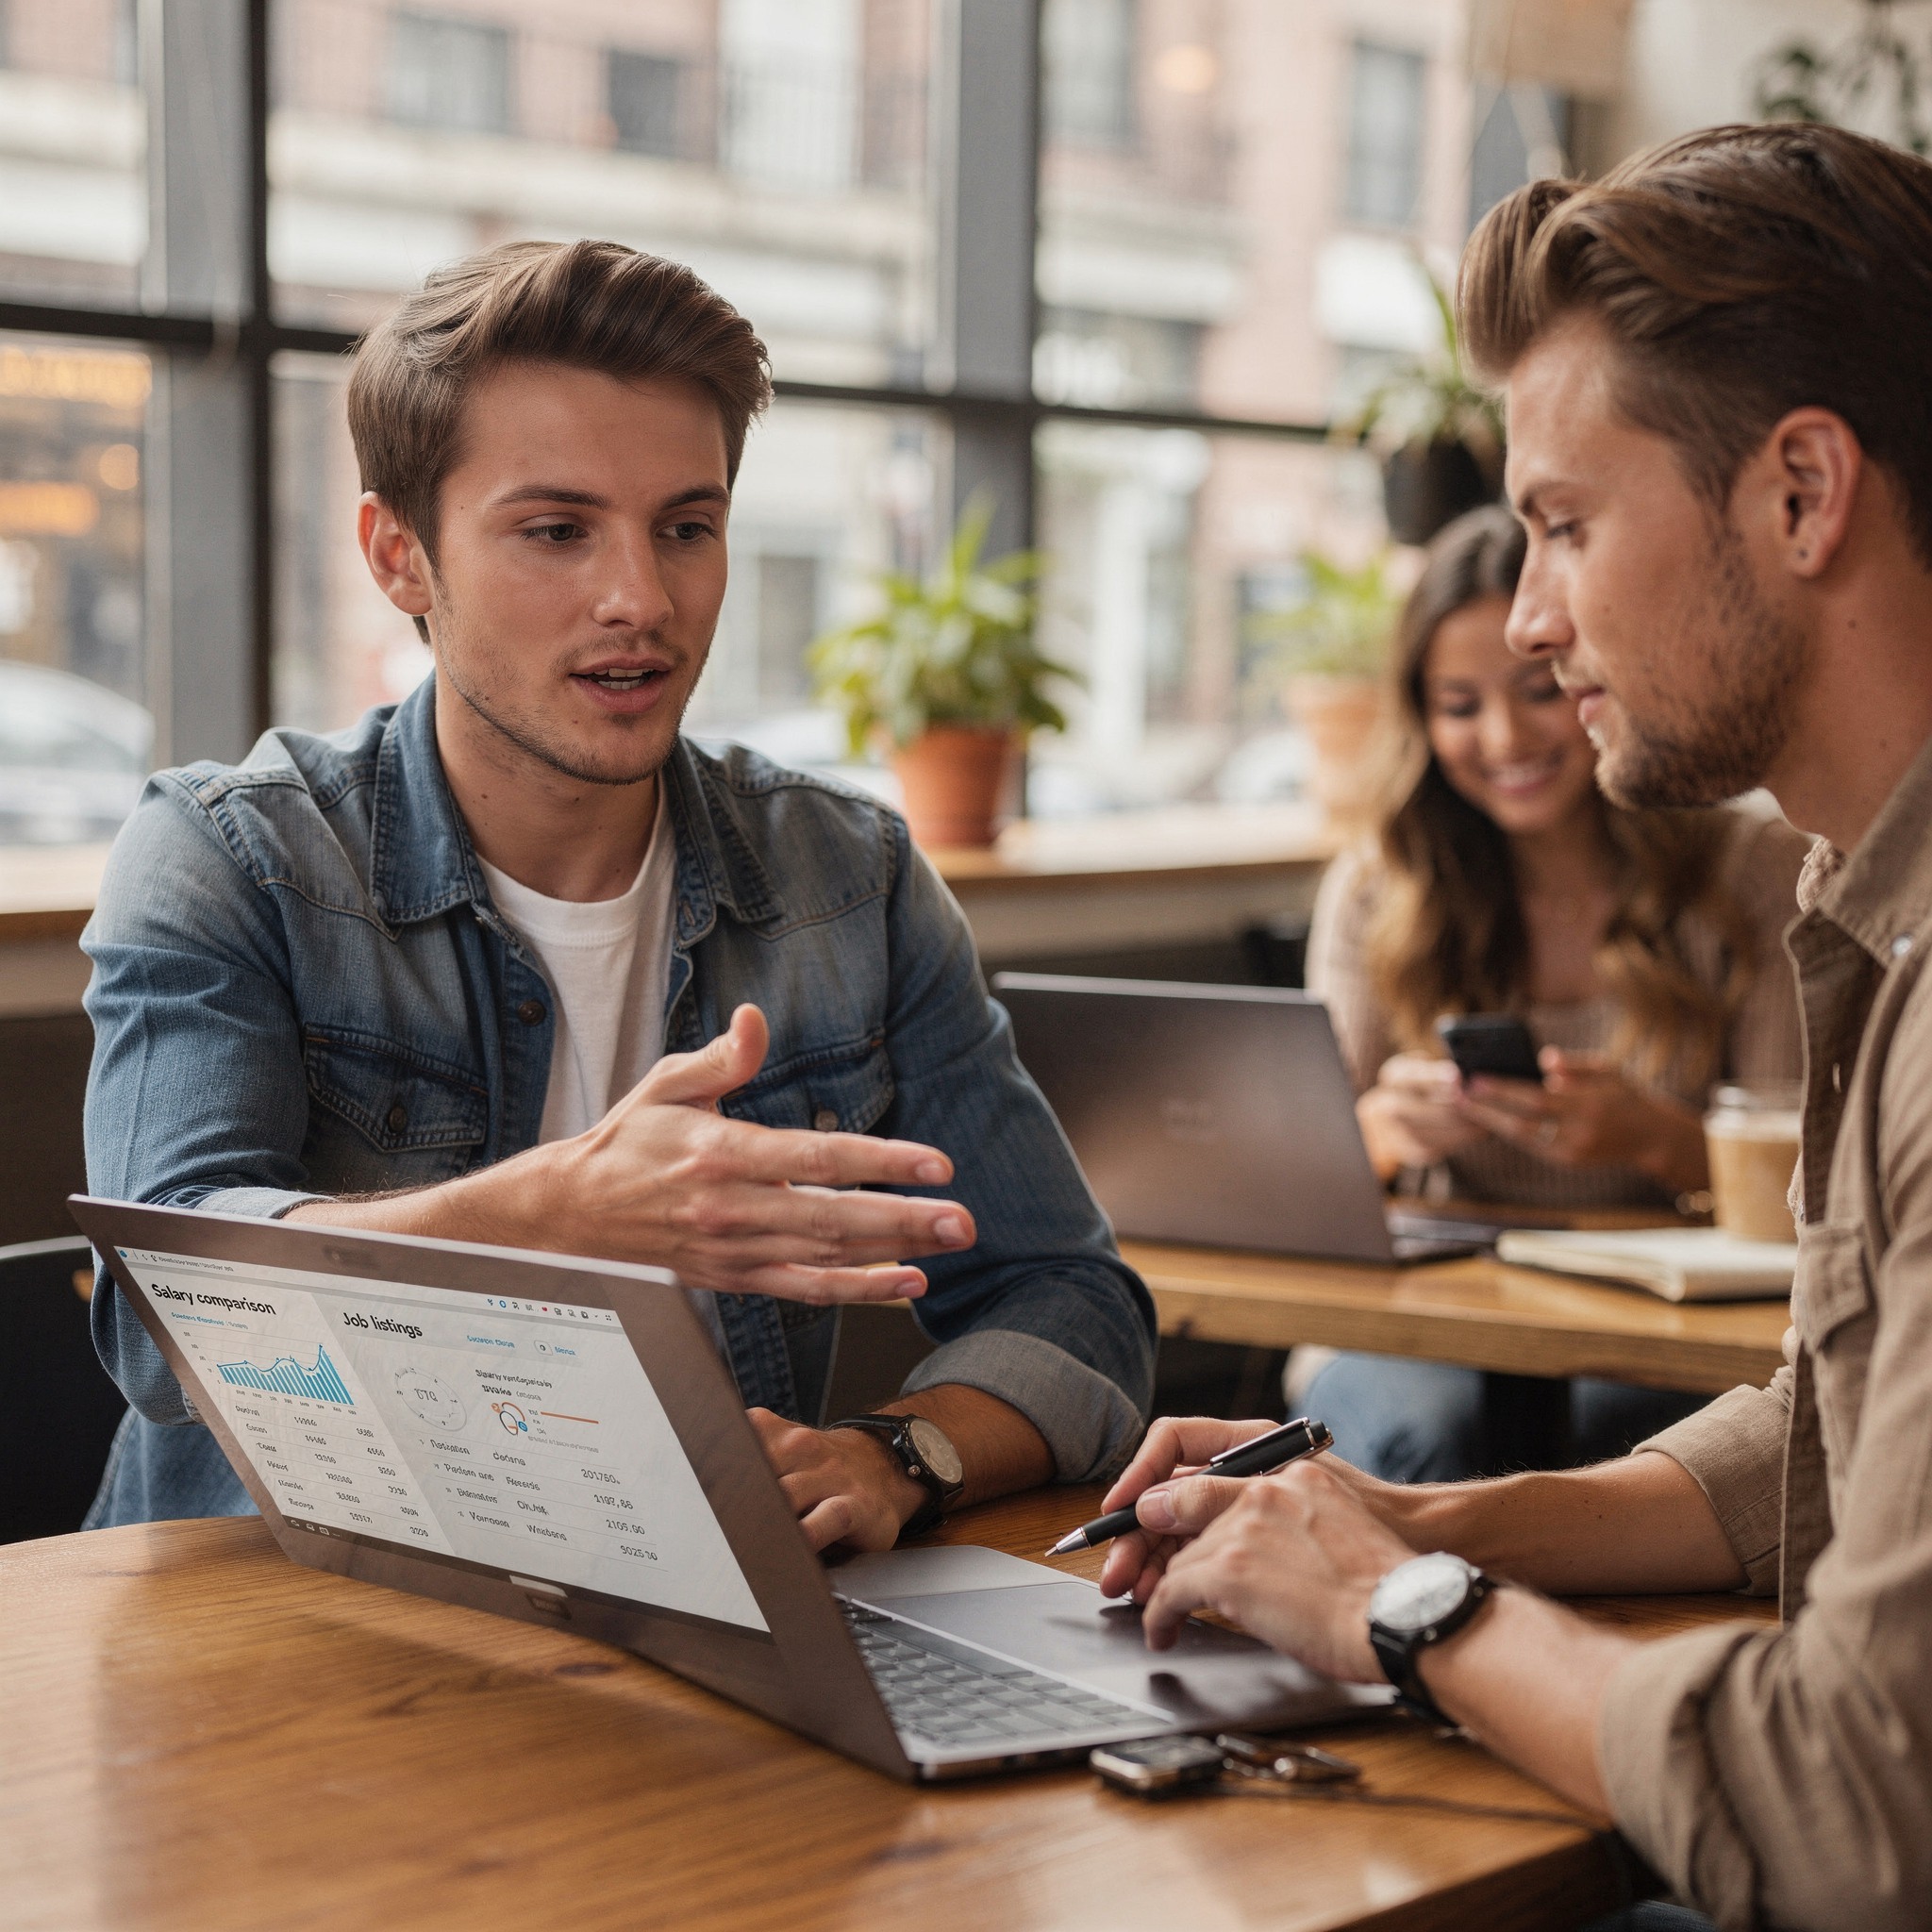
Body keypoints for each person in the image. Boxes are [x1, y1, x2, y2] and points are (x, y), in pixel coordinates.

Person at [1098, 123, 1932, 1932]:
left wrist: (1406, 1617)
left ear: (1799, 492)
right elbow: (1824, 1430)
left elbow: (1859, 1807)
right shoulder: (1859, 897)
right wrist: (1417, 1525)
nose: (1536, 625)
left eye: (1561, 525)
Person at [80, 239, 1155, 1545]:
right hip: (295, 1629)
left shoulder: (848, 883)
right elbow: (164, 1306)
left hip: (699, 1617)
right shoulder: (234, 858)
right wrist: (559, 1209)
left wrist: (899, 1455)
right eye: (556, 531)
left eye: (686, 529)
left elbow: (1072, 1298)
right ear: (400, 557)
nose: (640, 599)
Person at [1299, 506, 1808, 1481]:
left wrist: (1650, 1137)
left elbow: (1804, 1189)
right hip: (1430, 1332)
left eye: (1537, 690)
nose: (1500, 736)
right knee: (1433, 1435)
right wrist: (1384, 1130)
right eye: (1456, 704)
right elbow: (1305, 1187)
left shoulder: (1751, 873)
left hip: (1674, 1331)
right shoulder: (1381, 885)